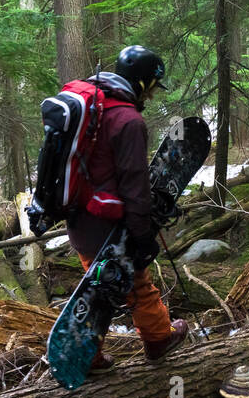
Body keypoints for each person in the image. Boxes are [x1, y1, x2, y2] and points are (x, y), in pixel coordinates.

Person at [67, 44, 187, 364]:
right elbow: (136, 188)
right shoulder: (128, 121)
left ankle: (88, 355)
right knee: (137, 284)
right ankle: (159, 339)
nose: (151, 98)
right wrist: (142, 237)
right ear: (142, 84)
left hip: (78, 222)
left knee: (97, 291)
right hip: (107, 228)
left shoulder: (92, 106)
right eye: (151, 90)